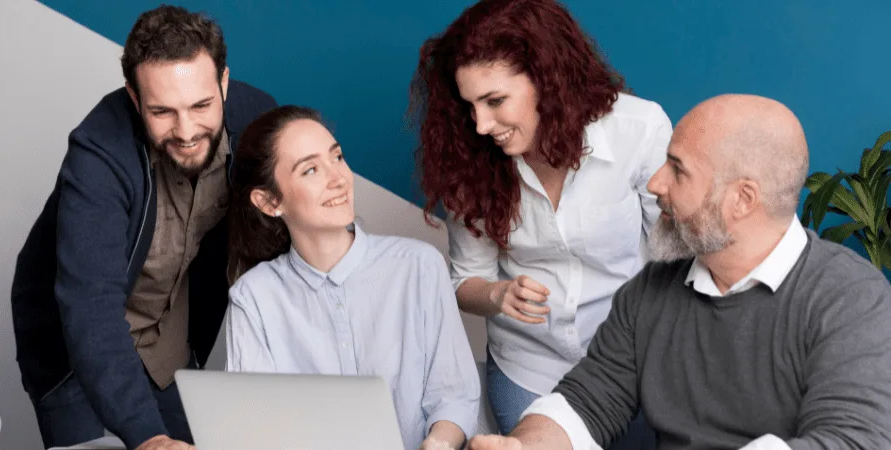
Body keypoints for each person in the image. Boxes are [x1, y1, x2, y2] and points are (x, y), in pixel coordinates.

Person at [466, 94, 891, 450]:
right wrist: (525, 445)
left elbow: (854, 440)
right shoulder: (650, 290)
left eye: (678, 169)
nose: (655, 183)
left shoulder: (852, 299)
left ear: (742, 199)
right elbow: (587, 401)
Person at [10, 5, 277, 450]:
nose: (187, 131)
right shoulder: (97, 153)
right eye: (162, 111)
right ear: (134, 99)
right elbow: (90, 306)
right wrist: (149, 437)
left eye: (201, 105)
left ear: (224, 83)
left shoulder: (258, 123)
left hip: (167, 340)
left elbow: (296, 220)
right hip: (74, 346)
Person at [408, 0, 671, 446]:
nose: (481, 125)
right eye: (471, 106)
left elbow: (676, 258)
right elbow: (465, 281)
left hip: (633, 364)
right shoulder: (469, 162)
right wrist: (497, 294)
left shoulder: (638, 129)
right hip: (529, 369)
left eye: (495, 101)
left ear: (548, 79)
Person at [223, 105, 481, 450]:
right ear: (269, 202)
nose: (339, 178)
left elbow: (454, 395)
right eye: (311, 170)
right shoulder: (253, 298)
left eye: (338, 157)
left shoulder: (419, 266)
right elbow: (256, 428)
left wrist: (438, 443)